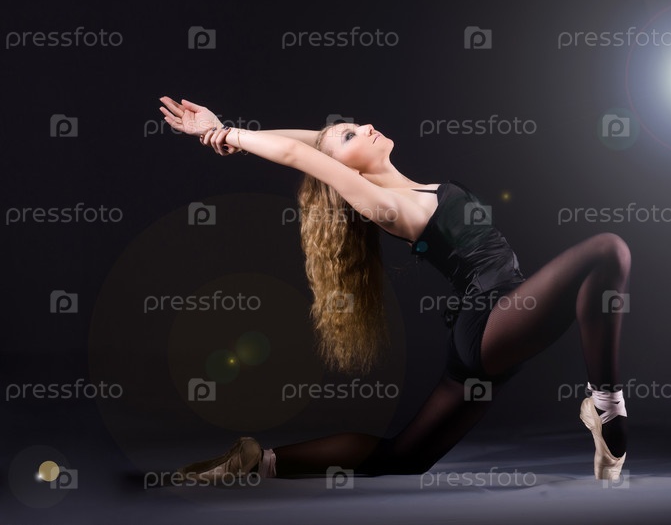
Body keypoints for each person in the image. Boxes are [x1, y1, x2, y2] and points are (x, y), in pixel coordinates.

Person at [157, 96, 631, 483]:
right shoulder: (385, 206)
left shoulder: (416, 189)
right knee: (607, 250)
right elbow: (303, 155)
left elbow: (313, 144)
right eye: (350, 136)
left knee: (405, 456)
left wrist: (233, 133)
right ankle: (606, 405)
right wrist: (226, 134)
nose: (365, 127)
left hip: (494, 326)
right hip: (492, 319)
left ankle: (258, 462)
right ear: (342, 170)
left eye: (355, 126)